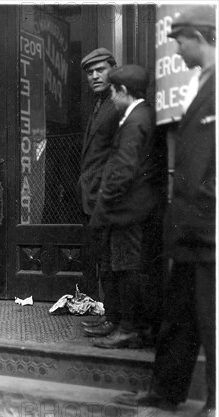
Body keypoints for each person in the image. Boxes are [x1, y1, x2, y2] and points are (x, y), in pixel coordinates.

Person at [115, 5, 215, 417]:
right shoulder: (201, 83)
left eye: (181, 39)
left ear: (202, 37)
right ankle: (165, 392)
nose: (175, 47)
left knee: (212, 317)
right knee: (181, 315)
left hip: (210, 227)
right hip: (191, 228)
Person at [86, 64, 161, 349]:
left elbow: (123, 171)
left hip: (128, 211)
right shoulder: (143, 115)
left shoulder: (134, 120)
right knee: (127, 268)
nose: (111, 98)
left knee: (127, 269)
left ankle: (129, 328)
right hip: (136, 209)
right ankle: (128, 325)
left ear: (123, 91)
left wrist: (104, 206)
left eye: (114, 92)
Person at [77, 47, 123, 337]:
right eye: (90, 72)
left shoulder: (117, 105)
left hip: (108, 199)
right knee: (104, 260)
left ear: (113, 70)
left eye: (100, 70)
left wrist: (106, 191)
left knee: (114, 262)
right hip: (93, 197)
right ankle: (112, 316)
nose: (94, 76)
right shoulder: (99, 104)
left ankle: (118, 321)